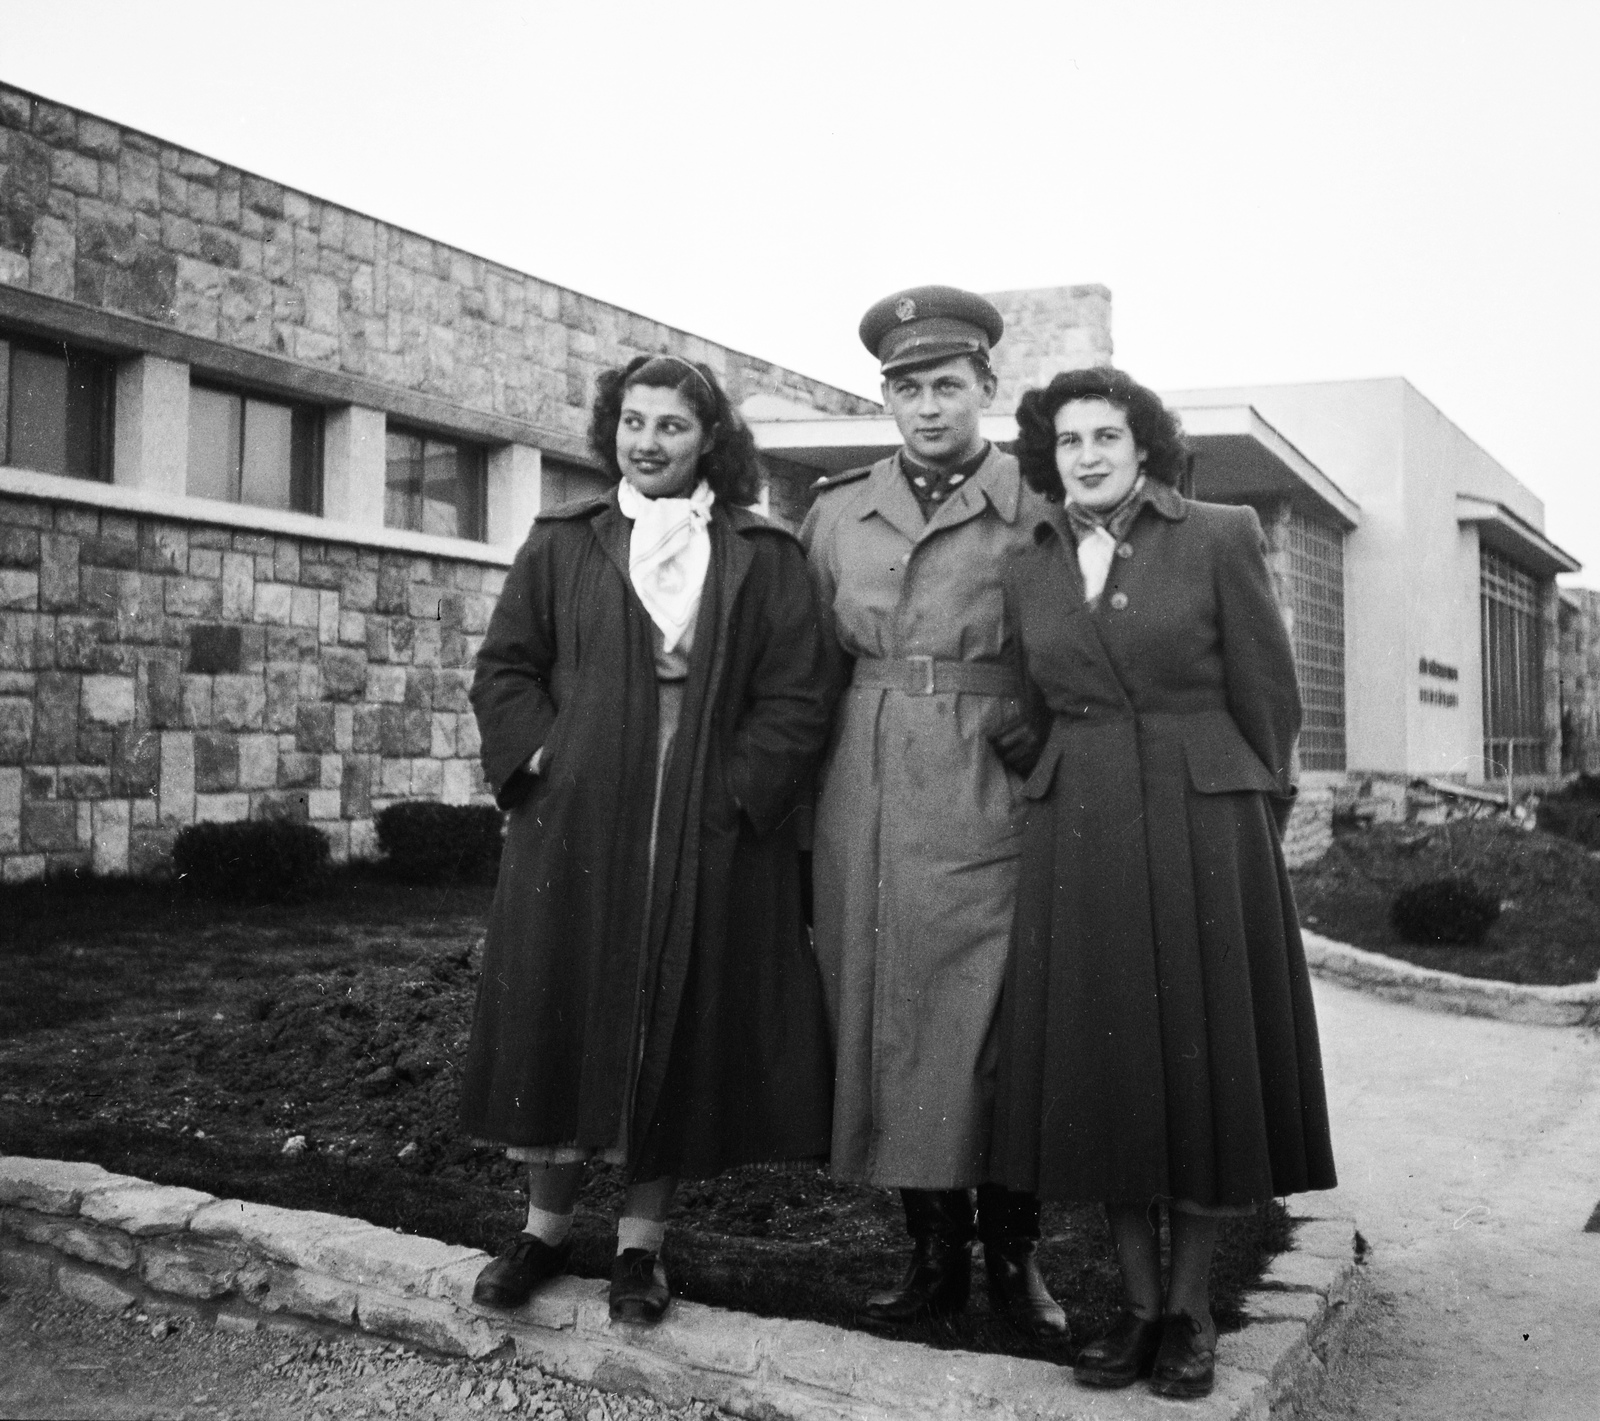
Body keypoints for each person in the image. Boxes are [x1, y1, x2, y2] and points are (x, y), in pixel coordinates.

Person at [460, 354, 835, 1324]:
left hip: (703, 828)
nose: (649, 441)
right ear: (611, 430)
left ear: (709, 436)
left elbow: (799, 693)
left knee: (669, 1021)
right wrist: (544, 761)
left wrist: (734, 794)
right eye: (633, 422)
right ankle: (541, 1230)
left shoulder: (762, 551)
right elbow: (506, 666)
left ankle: (640, 1248)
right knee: (564, 1007)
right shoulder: (565, 540)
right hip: (578, 824)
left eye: (672, 424)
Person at [991, 367, 1338, 1397]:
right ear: (1047, 458)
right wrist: (1060, 779)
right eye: (1067, 441)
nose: (1087, 455)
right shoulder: (1029, 560)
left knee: (1198, 1067)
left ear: (1143, 445)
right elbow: (1023, 703)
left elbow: (1269, 698)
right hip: (1081, 834)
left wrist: (1236, 813)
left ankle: (1189, 1311)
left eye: (1106, 434)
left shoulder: (1220, 532)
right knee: (1110, 1075)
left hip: (1202, 830)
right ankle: (1137, 1307)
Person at [801, 286, 1066, 1337]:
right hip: (863, 790)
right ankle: (928, 1256)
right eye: (905, 388)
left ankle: (1014, 1256)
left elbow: (1079, 652)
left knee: (995, 1023)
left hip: (985, 784)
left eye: (945, 384)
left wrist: (1031, 739)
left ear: (986, 390)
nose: (925, 406)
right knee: (890, 1018)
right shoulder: (836, 508)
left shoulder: (1038, 506)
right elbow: (805, 661)